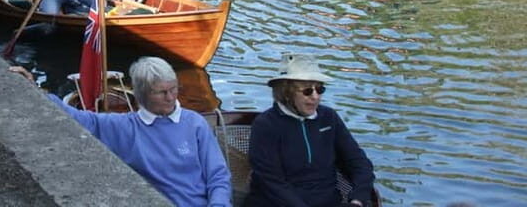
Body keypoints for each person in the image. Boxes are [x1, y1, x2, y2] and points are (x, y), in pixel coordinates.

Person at [48, 56, 232, 207]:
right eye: (161, 92)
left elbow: (218, 176)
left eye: (173, 89)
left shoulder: (195, 123)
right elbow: (74, 118)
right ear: (142, 95)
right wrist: (34, 88)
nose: (170, 97)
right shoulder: (123, 127)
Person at [244, 54, 375, 207]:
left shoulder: (329, 117)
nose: (315, 97)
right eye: (307, 91)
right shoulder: (266, 125)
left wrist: (357, 199)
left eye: (319, 89)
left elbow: (358, 163)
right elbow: (271, 183)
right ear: (286, 93)